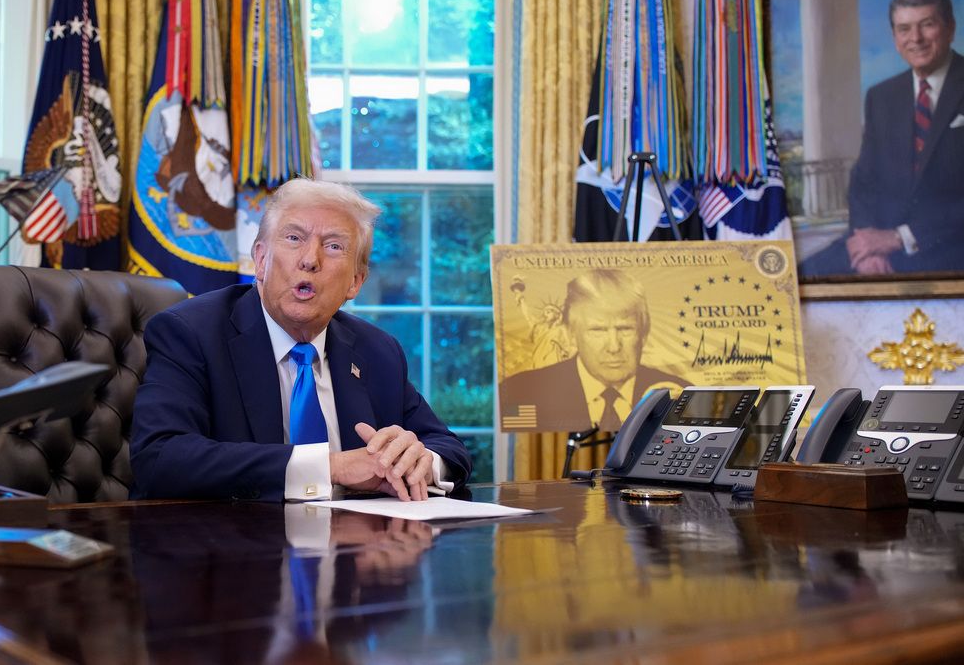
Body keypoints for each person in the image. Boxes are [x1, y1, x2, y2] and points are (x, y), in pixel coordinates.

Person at [130, 178, 471, 502]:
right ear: (261, 261)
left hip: (356, 551)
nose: (310, 260)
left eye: (333, 246)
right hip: (231, 550)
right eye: (294, 238)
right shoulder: (191, 334)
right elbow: (159, 458)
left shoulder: (377, 351)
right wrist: (332, 467)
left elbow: (448, 448)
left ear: (355, 281)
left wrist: (418, 460)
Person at [801, 0, 964, 277]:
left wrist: (900, 237)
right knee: (799, 281)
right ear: (894, 37)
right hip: (881, 243)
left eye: (927, 25)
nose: (915, 39)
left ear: (950, 28)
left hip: (949, 244)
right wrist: (867, 245)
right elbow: (864, 181)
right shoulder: (882, 96)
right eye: (904, 29)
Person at [498, 269, 689, 433]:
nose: (614, 347)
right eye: (598, 330)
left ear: (644, 333)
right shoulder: (521, 390)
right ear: (571, 334)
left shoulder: (681, 393)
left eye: (625, 329)